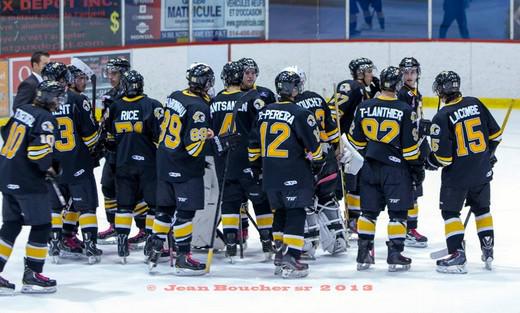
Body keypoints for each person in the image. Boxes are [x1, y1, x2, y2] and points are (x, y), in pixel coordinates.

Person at [149, 63, 238, 275]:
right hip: (184, 166)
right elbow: (193, 147)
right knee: (185, 214)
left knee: (164, 210)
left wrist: (203, 132)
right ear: (207, 83)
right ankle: (182, 256)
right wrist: (220, 142)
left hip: (164, 161)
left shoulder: (175, 96)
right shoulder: (199, 107)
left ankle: (153, 250)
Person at [249, 70, 324, 278]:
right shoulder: (301, 113)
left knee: (280, 213)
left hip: (271, 175)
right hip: (294, 172)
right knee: (296, 212)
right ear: (295, 88)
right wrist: (318, 163)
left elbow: (253, 147)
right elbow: (315, 148)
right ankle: (292, 257)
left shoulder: (263, 112)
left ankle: (280, 255)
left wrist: (256, 168)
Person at [348, 66, 424, 272]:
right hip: (396, 170)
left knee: (368, 213)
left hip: (370, 168)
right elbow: (410, 149)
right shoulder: (405, 110)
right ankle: (395, 254)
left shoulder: (364, 107)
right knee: (398, 214)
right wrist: (417, 169)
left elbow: (356, 142)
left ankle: (363, 255)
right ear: (398, 85)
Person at [427, 71, 502, 273]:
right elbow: (495, 135)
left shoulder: (442, 115)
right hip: (481, 171)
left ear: (441, 90)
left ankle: (458, 256)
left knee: (450, 212)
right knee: (482, 210)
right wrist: (488, 155)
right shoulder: (475, 103)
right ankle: (488, 249)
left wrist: (430, 161)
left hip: (457, 177)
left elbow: (443, 158)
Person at [0, 80, 64, 294]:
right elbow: (37, 153)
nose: (58, 101)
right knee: (43, 225)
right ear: (47, 97)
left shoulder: (23, 110)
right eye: (56, 97)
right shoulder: (46, 119)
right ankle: (33, 275)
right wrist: (50, 167)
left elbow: (5, 132)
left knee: (11, 224)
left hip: (7, 173)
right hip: (27, 181)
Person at [210, 61, 274, 262]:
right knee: (261, 201)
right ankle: (267, 243)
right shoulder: (253, 99)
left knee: (229, 203)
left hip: (224, 161)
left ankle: (231, 245)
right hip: (249, 159)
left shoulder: (214, 101)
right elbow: (263, 128)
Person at [287, 65, 347, 258]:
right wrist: (337, 147)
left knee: (305, 202)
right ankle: (338, 239)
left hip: (306, 159)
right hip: (327, 155)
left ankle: (308, 244)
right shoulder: (317, 98)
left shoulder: (289, 105)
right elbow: (331, 129)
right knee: (328, 196)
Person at [105, 70, 162, 263]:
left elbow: (109, 139)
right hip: (148, 164)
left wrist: (114, 161)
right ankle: (150, 240)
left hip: (123, 163)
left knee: (124, 205)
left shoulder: (115, 106)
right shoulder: (153, 105)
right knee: (153, 206)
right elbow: (160, 137)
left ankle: (122, 241)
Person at [47, 64, 103, 264]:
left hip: (52, 164)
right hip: (77, 162)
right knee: (86, 206)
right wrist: (97, 142)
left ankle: (55, 243)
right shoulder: (78, 99)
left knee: (55, 207)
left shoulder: (41, 102)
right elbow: (90, 138)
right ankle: (89, 245)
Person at [97, 58, 151, 248]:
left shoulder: (132, 96)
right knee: (108, 186)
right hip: (114, 151)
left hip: (131, 151)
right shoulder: (109, 96)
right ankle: (114, 224)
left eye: (114, 73)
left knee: (135, 191)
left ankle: (143, 227)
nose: (110, 77)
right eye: (109, 73)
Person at [328, 57, 377, 237]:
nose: (372, 75)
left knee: (356, 184)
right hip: (347, 144)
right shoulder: (351, 86)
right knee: (344, 184)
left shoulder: (364, 89)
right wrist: (336, 141)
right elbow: (332, 113)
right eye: (369, 71)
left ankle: (353, 219)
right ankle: (340, 219)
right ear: (360, 73)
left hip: (358, 144)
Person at [237, 57, 277, 247]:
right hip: (236, 155)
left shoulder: (266, 94)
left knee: (261, 198)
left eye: (253, 72)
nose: (250, 76)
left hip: (259, 156)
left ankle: (267, 236)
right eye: (247, 73)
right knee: (237, 198)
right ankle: (241, 230)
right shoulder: (228, 95)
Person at [397, 57, 429, 248]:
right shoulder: (402, 94)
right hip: (406, 150)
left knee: (414, 190)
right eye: (405, 72)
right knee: (409, 189)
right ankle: (407, 229)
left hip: (415, 146)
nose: (409, 75)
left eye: (413, 72)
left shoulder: (415, 92)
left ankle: (410, 228)